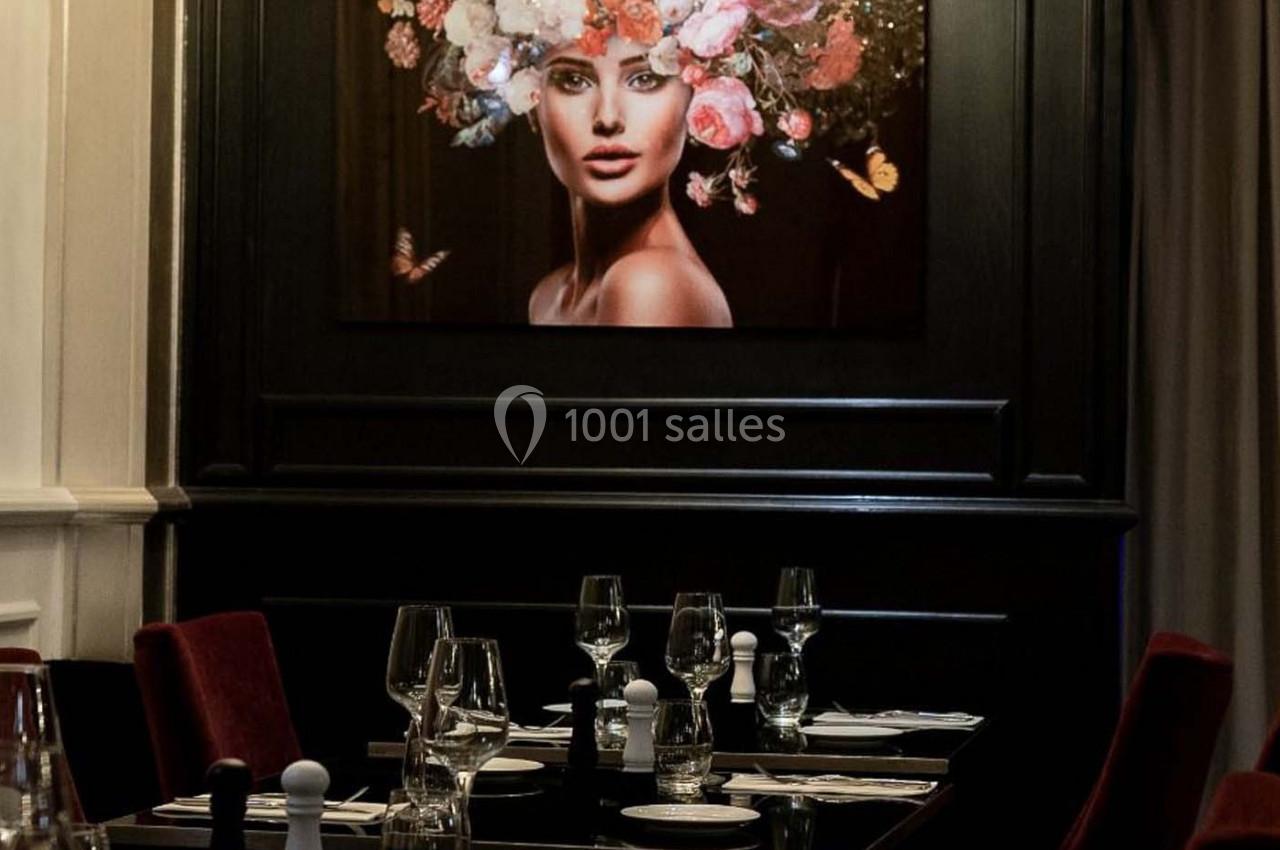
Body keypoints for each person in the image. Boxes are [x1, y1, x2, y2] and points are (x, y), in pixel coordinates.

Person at [526, 37, 733, 327]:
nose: (608, 118)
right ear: (529, 104)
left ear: (694, 100)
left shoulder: (652, 285)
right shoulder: (548, 295)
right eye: (573, 80)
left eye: (646, 79)